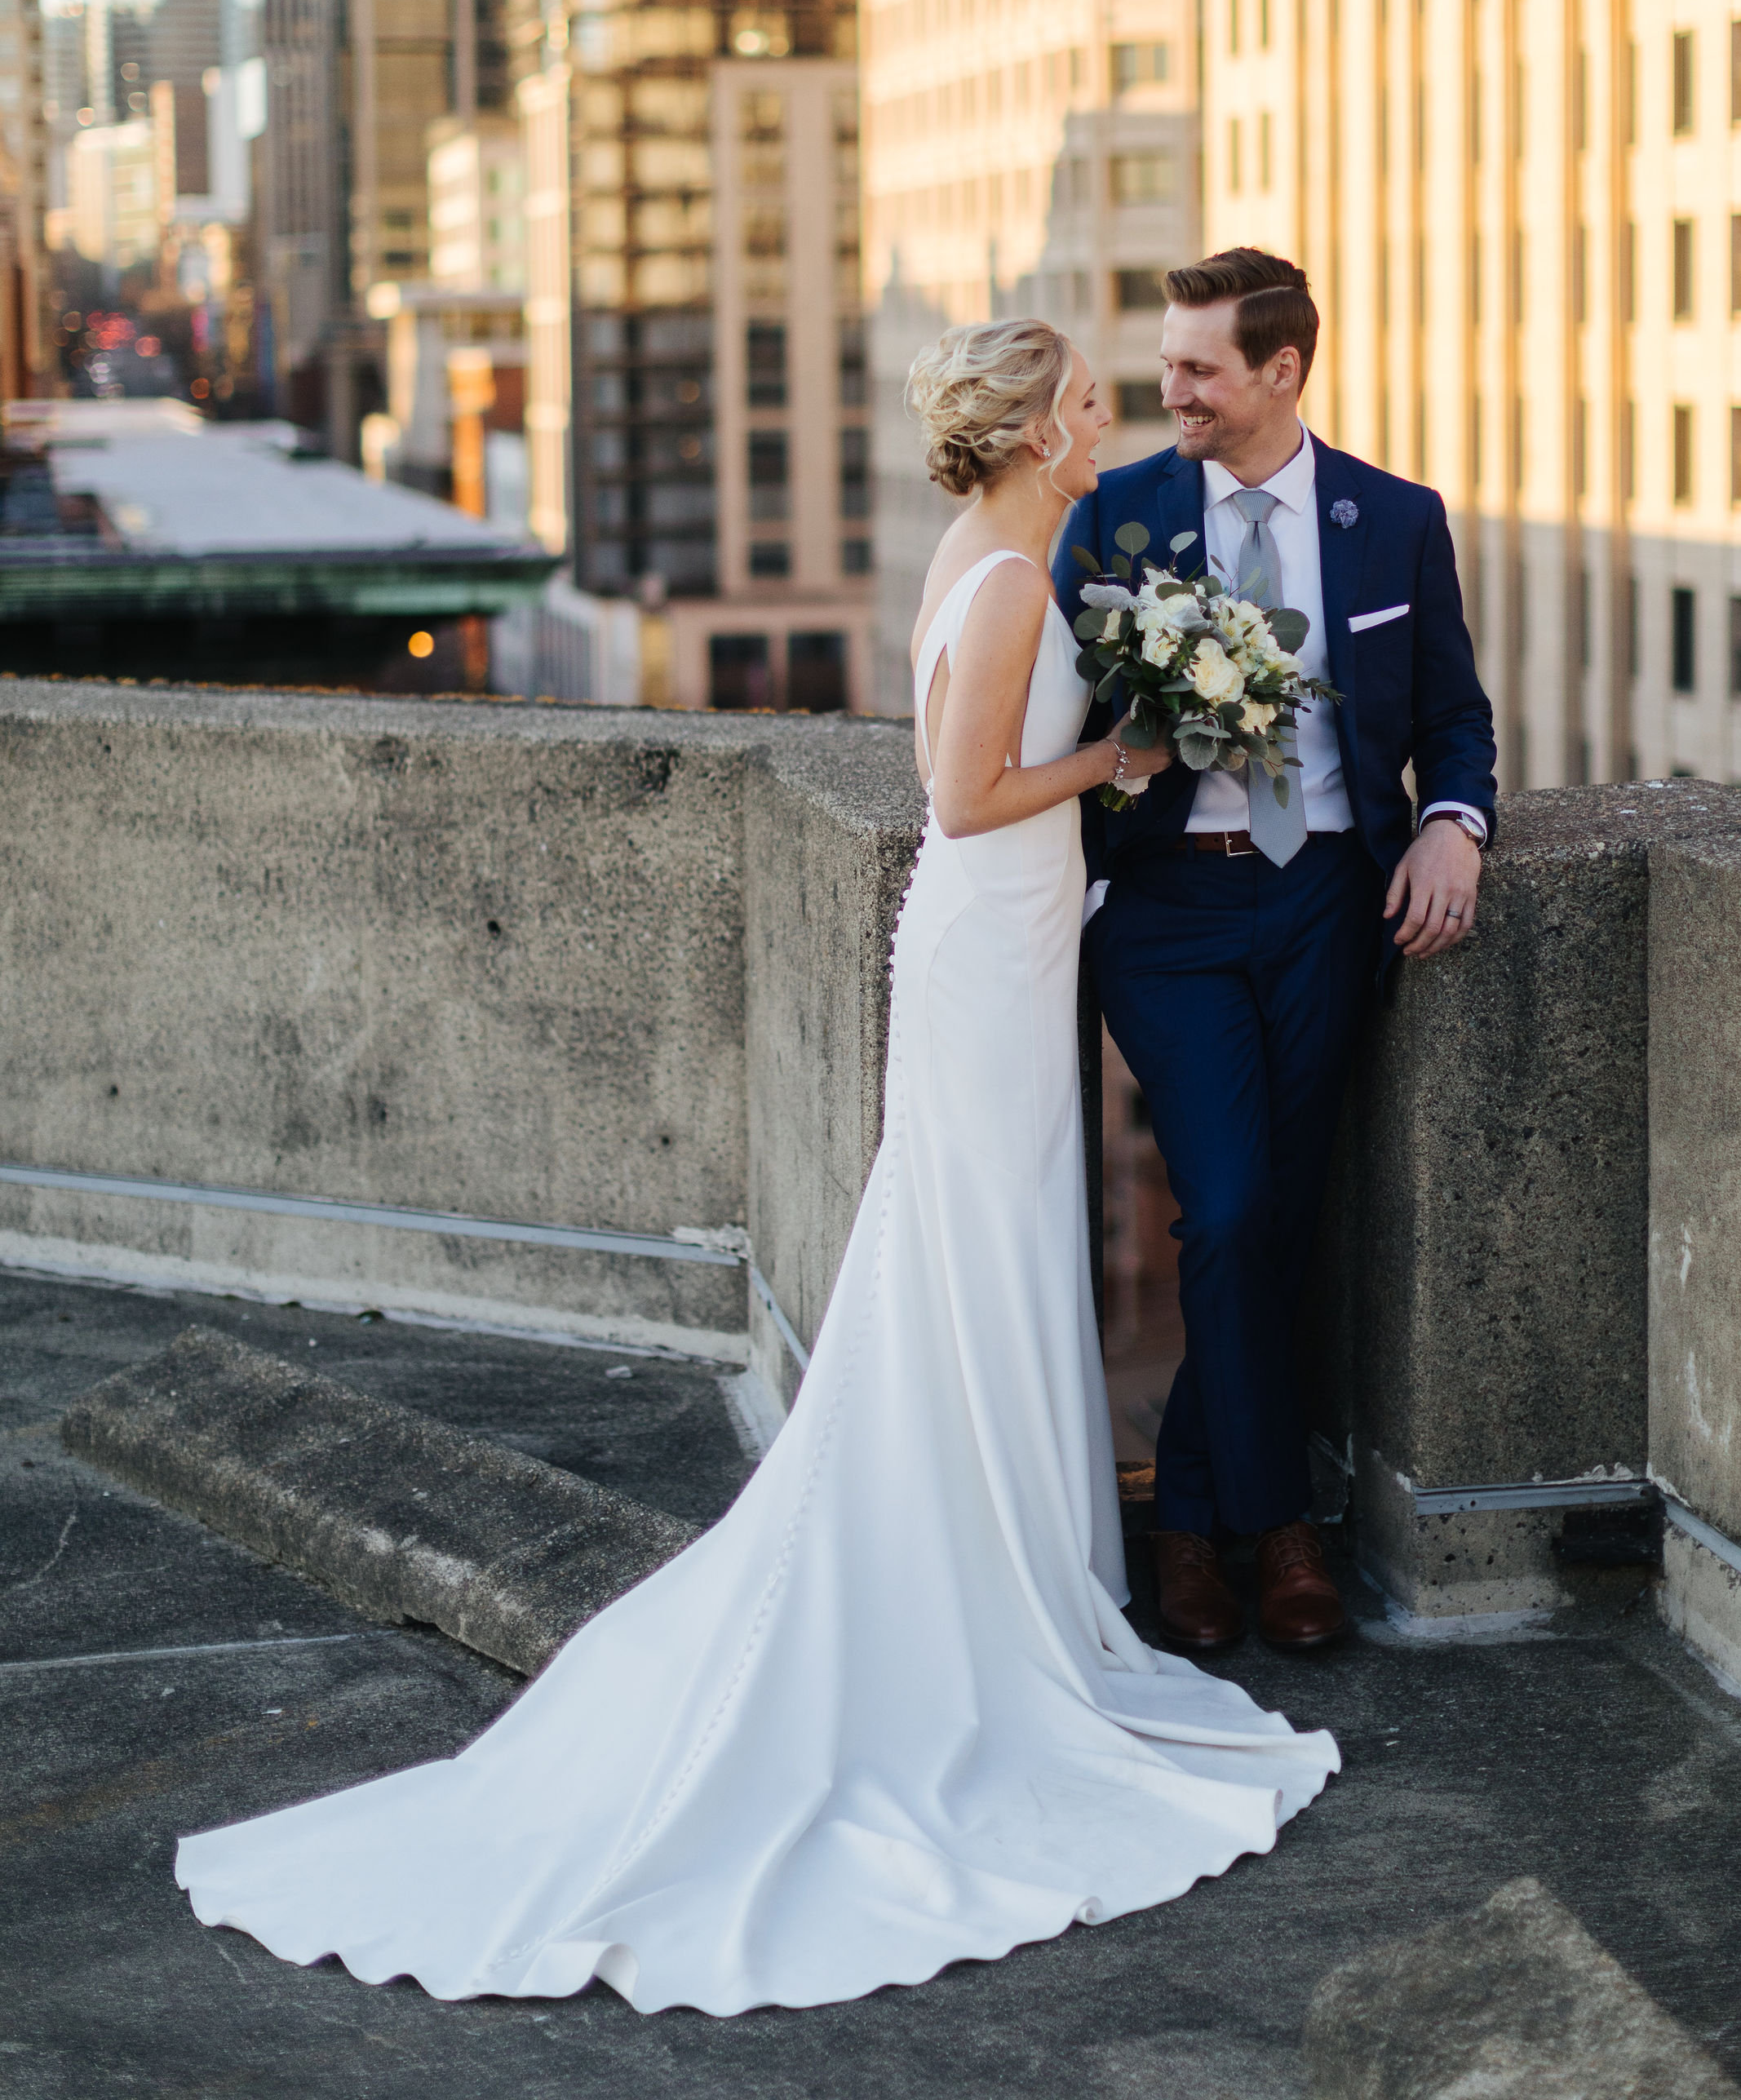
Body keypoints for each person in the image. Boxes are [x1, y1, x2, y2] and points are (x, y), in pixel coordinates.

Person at [174, 317, 1340, 2019]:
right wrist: (1130, 757)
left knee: (989, 1245)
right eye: (1085, 403)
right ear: (1030, 432)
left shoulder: (1005, 548)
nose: (1107, 422)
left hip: (1010, 947)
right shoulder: (1014, 579)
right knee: (969, 1243)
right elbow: (964, 789)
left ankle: (1024, 1564)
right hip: (984, 935)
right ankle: (985, 1596)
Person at [1055, 250, 1497, 1660]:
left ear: (1282, 372)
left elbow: (1458, 717)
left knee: (1278, 1222)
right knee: (1234, 1209)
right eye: (1167, 364)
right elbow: (1035, 723)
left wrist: (1452, 826)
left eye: (1198, 368)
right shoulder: (1116, 516)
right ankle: (1278, 1528)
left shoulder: (1396, 519)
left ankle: (1195, 1519)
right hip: (1171, 915)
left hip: (1329, 907)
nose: (1167, 391)